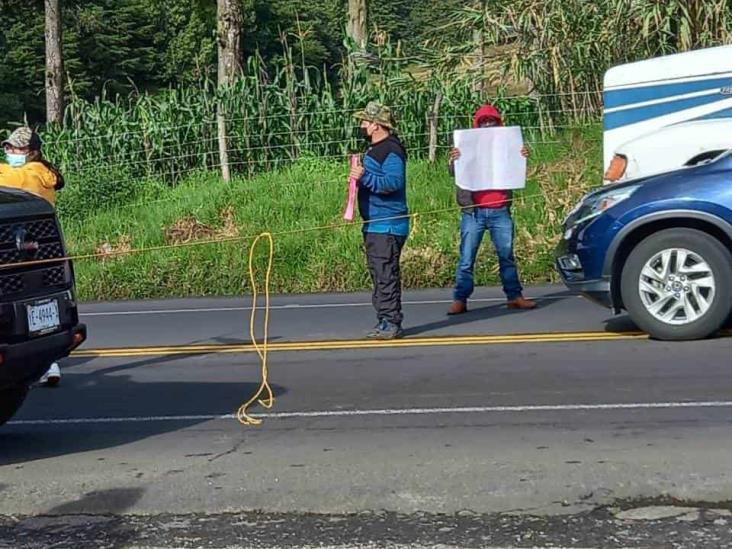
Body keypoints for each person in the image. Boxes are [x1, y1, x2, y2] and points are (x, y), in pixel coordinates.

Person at [446, 104, 537, 315]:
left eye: (492, 122)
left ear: (498, 124)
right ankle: (460, 299)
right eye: (484, 122)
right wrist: (455, 159)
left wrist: (522, 155)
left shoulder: (507, 145)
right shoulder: (467, 145)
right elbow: (453, 172)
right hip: (473, 212)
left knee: (506, 256)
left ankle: (514, 296)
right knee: (467, 258)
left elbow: (516, 168)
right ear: (477, 125)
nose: (488, 125)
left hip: (500, 209)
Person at [1, 126, 65, 386]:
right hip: (44, 253)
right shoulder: (45, 173)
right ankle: (49, 362)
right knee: (43, 307)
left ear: (33, 153)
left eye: (18, 149)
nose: (11, 152)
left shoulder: (29, 175)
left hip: (14, 251)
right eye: (8, 147)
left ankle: (45, 362)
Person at [350, 101, 409, 340]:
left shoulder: (391, 151)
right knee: (379, 274)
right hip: (375, 223)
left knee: (386, 274)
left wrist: (365, 177)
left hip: (388, 224)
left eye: (365, 121)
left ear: (376, 125)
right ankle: (384, 320)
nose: (362, 125)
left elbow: (392, 183)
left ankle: (392, 322)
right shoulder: (376, 150)